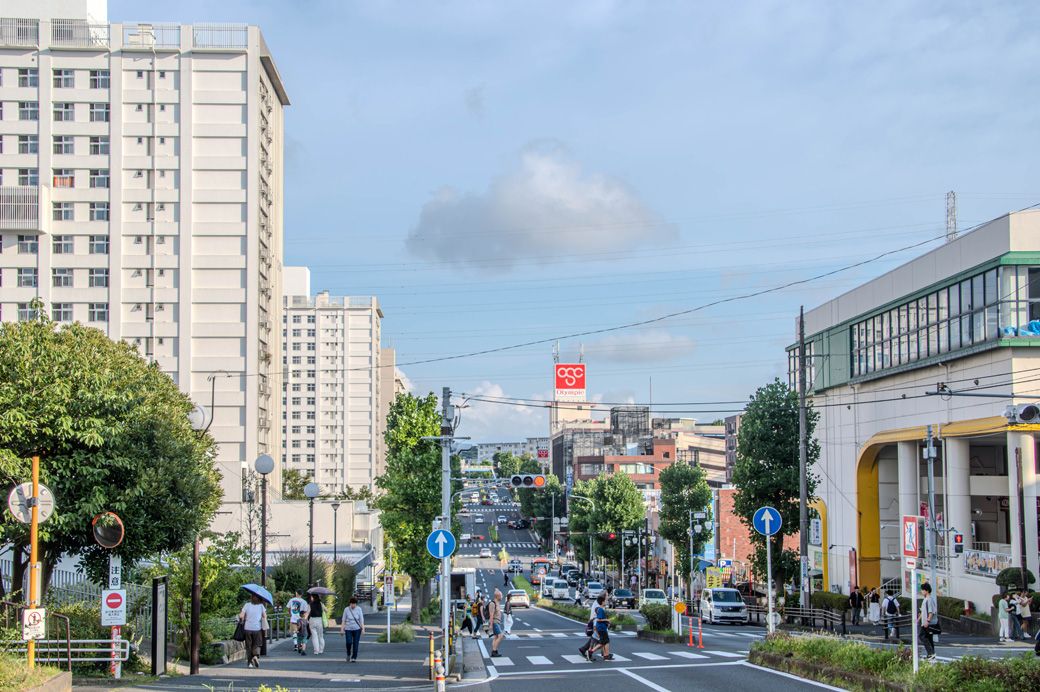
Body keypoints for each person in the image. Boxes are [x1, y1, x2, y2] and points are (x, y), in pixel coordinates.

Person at [238, 593, 267, 669]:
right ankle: (255, 656)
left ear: (251, 597)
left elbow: (241, 616)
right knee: (257, 644)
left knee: (249, 646)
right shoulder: (261, 606)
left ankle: (250, 663)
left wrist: (242, 617)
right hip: (257, 628)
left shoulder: (247, 605)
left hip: (247, 628)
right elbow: (264, 616)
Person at [585, 593, 613, 661]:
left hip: (602, 628)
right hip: (601, 628)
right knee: (602, 642)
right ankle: (590, 652)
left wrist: (607, 622)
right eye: (605, 601)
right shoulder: (600, 609)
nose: (606, 602)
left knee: (605, 641)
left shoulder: (600, 609)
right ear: (602, 602)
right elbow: (599, 619)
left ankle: (606, 655)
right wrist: (607, 620)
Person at [341, 596, 364, 662]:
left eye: (354, 604)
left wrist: (363, 629)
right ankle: (348, 653)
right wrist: (342, 629)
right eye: (351, 604)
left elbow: (361, 620)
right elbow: (343, 620)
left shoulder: (359, 609)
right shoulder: (346, 609)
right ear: (350, 603)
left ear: (356, 604)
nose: (353, 605)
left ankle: (354, 657)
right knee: (348, 642)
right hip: (348, 629)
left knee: (355, 643)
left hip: (357, 629)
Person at [919, 583, 938, 661]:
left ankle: (931, 653)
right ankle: (931, 654)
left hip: (928, 623)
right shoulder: (926, 599)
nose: (921, 591)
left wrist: (927, 621)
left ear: (926, 590)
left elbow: (931, 612)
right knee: (929, 638)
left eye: (922, 590)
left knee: (922, 636)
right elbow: (924, 611)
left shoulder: (929, 599)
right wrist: (918, 619)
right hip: (927, 622)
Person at [489, 589, 504, 657]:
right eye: (501, 595)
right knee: (500, 636)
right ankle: (494, 651)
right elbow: (491, 615)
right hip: (495, 622)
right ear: (497, 596)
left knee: (495, 637)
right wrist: (491, 625)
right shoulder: (493, 603)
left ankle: (494, 651)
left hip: (498, 622)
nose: (502, 597)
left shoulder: (497, 602)